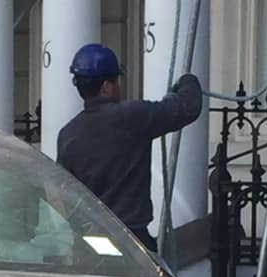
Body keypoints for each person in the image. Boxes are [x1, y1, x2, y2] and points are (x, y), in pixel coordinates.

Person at [57, 43, 203, 253]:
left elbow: (63, 194)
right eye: (116, 81)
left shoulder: (68, 135)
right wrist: (188, 80)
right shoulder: (131, 117)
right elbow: (188, 107)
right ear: (106, 87)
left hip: (88, 243)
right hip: (131, 239)